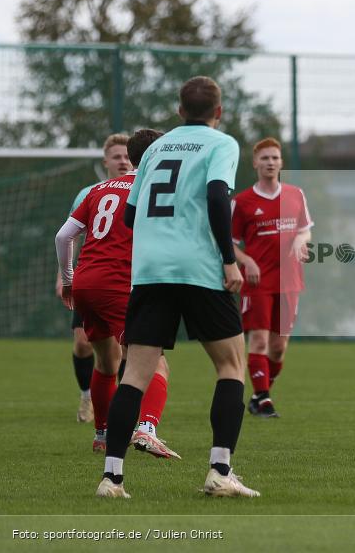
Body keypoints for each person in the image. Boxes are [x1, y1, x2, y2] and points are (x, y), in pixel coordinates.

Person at [96, 76, 258, 498]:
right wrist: (227, 259)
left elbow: (131, 217)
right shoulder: (221, 144)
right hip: (199, 268)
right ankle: (220, 471)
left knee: (133, 375)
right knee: (230, 366)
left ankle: (111, 478)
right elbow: (218, 197)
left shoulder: (152, 150)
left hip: (150, 271)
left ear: (179, 110)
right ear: (218, 113)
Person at [56, 129, 178, 459]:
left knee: (107, 362)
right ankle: (147, 428)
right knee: (154, 361)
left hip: (84, 284)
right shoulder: (153, 190)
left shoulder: (97, 190)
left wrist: (67, 277)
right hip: (118, 286)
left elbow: (63, 236)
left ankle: (101, 434)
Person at [232, 137, 313, 419]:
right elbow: (228, 243)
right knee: (259, 343)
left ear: (281, 162)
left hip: (290, 280)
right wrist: (246, 260)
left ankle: (258, 394)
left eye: (275, 158)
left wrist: (301, 241)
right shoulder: (242, 202)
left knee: (278, 349)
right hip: (257, 283)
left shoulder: (295, 194)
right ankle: (264, 399)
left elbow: (305, 229)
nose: (270, 163)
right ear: (255, 163)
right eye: (264, 158)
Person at [57, 134, 132, 423]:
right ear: (106, 161)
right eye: (117, 156)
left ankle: (109, 419)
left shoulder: (137, 188)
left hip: (108, 280)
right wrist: (63, 276)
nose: (123, 160)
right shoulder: (89, 192)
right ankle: (89, 397)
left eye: (127, 155)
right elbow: (71, 236)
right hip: (93, 275)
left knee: (115, 353)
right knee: (83, 344)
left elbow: (63, 237)